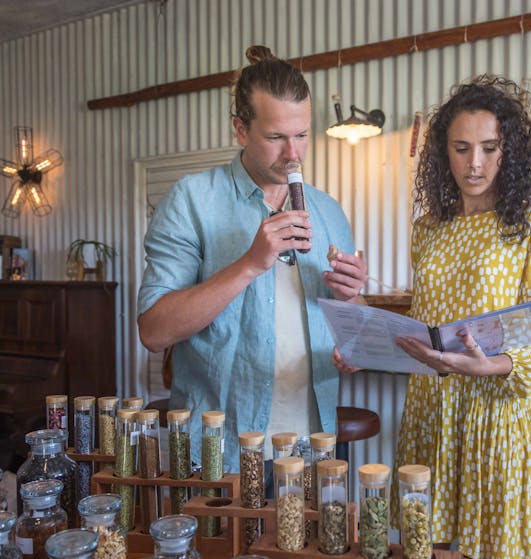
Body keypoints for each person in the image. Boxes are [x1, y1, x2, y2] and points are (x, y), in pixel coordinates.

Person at [334, 74, 531, 558]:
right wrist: (372, 344)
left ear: (510, 151)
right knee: (426, 545)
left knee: (493, 547)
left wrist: (488, 366)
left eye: (488, 147)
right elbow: (425, 320)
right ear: (444, 152)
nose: (474, 163)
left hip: (494, 412)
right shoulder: (429, 230)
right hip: (431, 407)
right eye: (461, 148)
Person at [137, 45, 367, 471]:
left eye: (301, 135)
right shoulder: (192, 200)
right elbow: (153, 330)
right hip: (219, 448)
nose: (293, 154)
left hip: (311, 445)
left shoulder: (329, 210)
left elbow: (351, 327)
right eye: (276, 137)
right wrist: (249, 265)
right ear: (240, 130)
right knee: (221, 542)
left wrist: (354, 313)